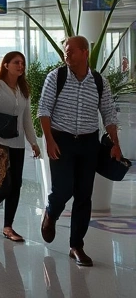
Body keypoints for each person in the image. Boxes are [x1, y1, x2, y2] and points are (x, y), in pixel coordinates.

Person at [38, 36, 121, 267]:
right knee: (63, 190)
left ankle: (77, 245)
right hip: (61, 141)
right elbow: (43, 109)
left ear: (85, 52)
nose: (67, 55)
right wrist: (49, 140)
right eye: (65, 51)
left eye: (71, 51)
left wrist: (116, 144)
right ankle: (51, 213)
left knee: (84, 195)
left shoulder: (99, 81)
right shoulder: (56, 77)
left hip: (88, 143)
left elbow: (109, 115)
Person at [0, 51, 40, 242]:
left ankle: (8, 227)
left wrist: (33, 142)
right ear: (6, 65)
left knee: (16, 185)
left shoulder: (23, 90)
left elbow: (26, 119)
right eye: (16, 62)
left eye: (22, 63)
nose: (20, 66)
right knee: (6, 184)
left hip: (17, 143)